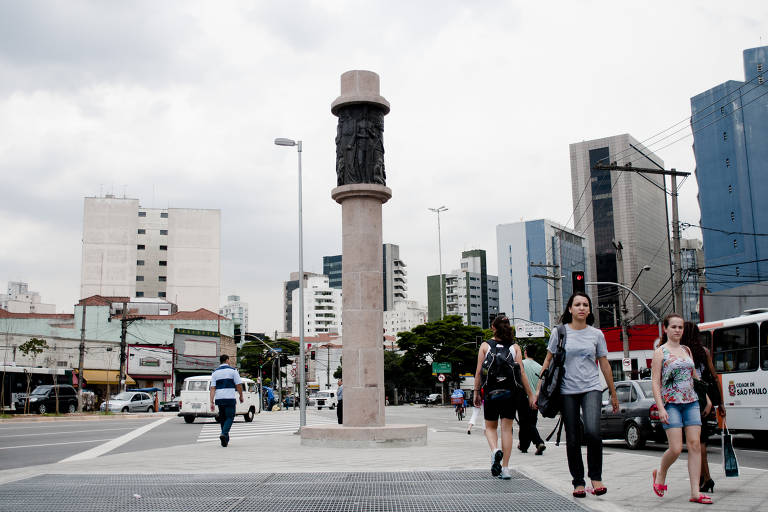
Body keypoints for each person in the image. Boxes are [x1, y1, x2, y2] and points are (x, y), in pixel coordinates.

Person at [536, 292, 618, 498]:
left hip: (591, 388)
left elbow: (605, 364)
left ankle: (596, 477)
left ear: (589, 310)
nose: (582, 308)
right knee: (572, 437)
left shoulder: (596, 334)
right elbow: (548, 361)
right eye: (577, 304)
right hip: (566, 391)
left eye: (585, 305)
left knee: (592, 431)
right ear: (570, 309)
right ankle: (578, 482)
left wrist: (614, 393)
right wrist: (539, 389)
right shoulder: (560, 332)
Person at [650, 314, 713, 504]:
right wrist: (661, 408)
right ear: (666, 329)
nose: (678, 330)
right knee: (676, 448)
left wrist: (707, 399)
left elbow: (694, 378)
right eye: (674, 327)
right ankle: (660, 473)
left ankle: (695, 492)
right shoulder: (660, 352)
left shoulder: (686, 350)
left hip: (691, 402)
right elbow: (655, 382)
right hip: (671, 404)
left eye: (681, 327)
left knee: (695, 445)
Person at [473, 315, 536, 480]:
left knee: (490, 428)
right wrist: (530, 394)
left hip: (491, 392)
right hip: (510, 393)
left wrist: (475, 392)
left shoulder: (485, 345)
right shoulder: (515, 347)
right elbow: (521, 372)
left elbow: (479, 371)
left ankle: (495, 451)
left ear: (493, 327)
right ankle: (506, 468)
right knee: (507, 429)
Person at [681, 321, 726, 493]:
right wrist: (720, 403)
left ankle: (706, 478)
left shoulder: (683, 352)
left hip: (690, 397)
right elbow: (714, 378)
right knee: (701, 441)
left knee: (696, 441)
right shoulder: (704, 352)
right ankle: (703, 477)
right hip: (704, 397)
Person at [209, 354, 244, 447]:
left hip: (219, 398)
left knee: (223, 418)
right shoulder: (233, 371)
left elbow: (212, 388)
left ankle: (225, 440)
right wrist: (241, 395)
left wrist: (211, 401)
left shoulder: (215, 372)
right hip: (229, 398)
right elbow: (239, 385)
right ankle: (224, 434)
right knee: (230, 417)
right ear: (227, 360)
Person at [518, 345, 546, 455]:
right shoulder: (540, 367)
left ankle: (536, 443)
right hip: (536, 398)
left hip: (524, 397)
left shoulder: (522, 364)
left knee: (524, 422)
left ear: (525, 352)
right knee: (531, 422)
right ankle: (523, 445)